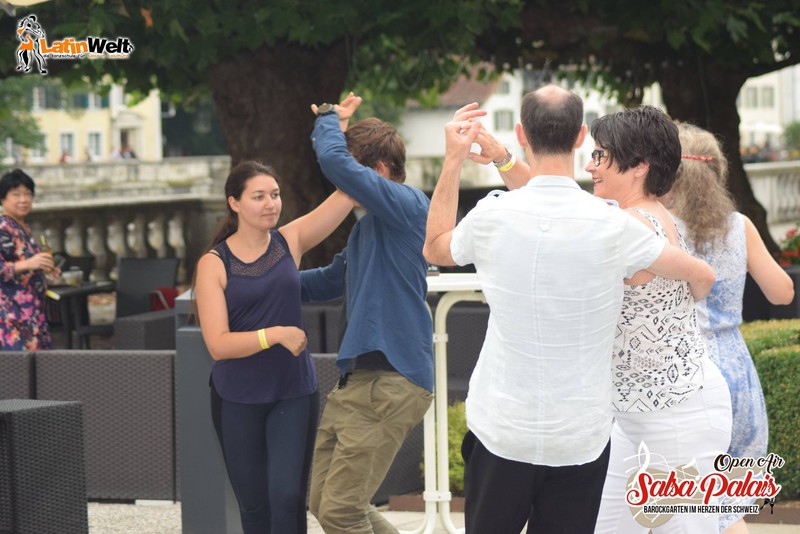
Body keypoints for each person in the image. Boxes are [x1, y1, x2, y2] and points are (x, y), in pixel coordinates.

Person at [423, 85, 716, 533]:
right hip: (580, 433)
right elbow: (698, 272)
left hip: (504, 425)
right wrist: (688, 297)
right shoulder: (615, 225)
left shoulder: (493, 215)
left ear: (522, 133)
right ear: (580, 136)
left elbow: (435, 247)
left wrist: (453, 161)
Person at [585, 107, 733, 533]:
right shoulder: (652, 215)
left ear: (640, 166)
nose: (591, 166)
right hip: (638, 410)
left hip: (678, 412)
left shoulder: (627, 224)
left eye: (601, 155)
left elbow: (704, 276)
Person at [193, 159, 355, 533]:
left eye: (275, 194)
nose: (271, 204)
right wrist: (275, 334)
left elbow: (346, 194)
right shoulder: (214, 264)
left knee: (287, 497)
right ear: (234, 203)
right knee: (254, 507)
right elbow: (217, 344)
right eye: (259, 196)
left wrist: (343, 140)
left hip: (293, 392)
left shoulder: (288, 241)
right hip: (237, 397)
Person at [300, 94, 434, 534]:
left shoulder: (408, 205)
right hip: (359, 380)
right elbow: (326, 281)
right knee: (326, 502)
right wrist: (257, 281)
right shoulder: (369, 228)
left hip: (391, 380)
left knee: (342, 511)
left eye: (355, 175)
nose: (346, 187)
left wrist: (329, 120)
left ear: (378, 172)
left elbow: (334, 162)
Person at [663, 122, 793, 534]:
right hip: (736, 367)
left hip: (682, 369)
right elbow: (782, 293)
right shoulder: (740, 226)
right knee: (726, 504)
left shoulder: (659, 229)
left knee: (674, 504)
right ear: (717, 172)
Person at [0, 169, 58, 350]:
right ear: (2, 199)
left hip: (32, 312)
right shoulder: (3, 227)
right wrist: (28, 264)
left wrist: (46, 270)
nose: (23, 200)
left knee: (37, 364)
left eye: (27, 194)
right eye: (16, 195)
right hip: (11, 316)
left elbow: (25, 266)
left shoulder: (22, 226)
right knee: (19, 365)